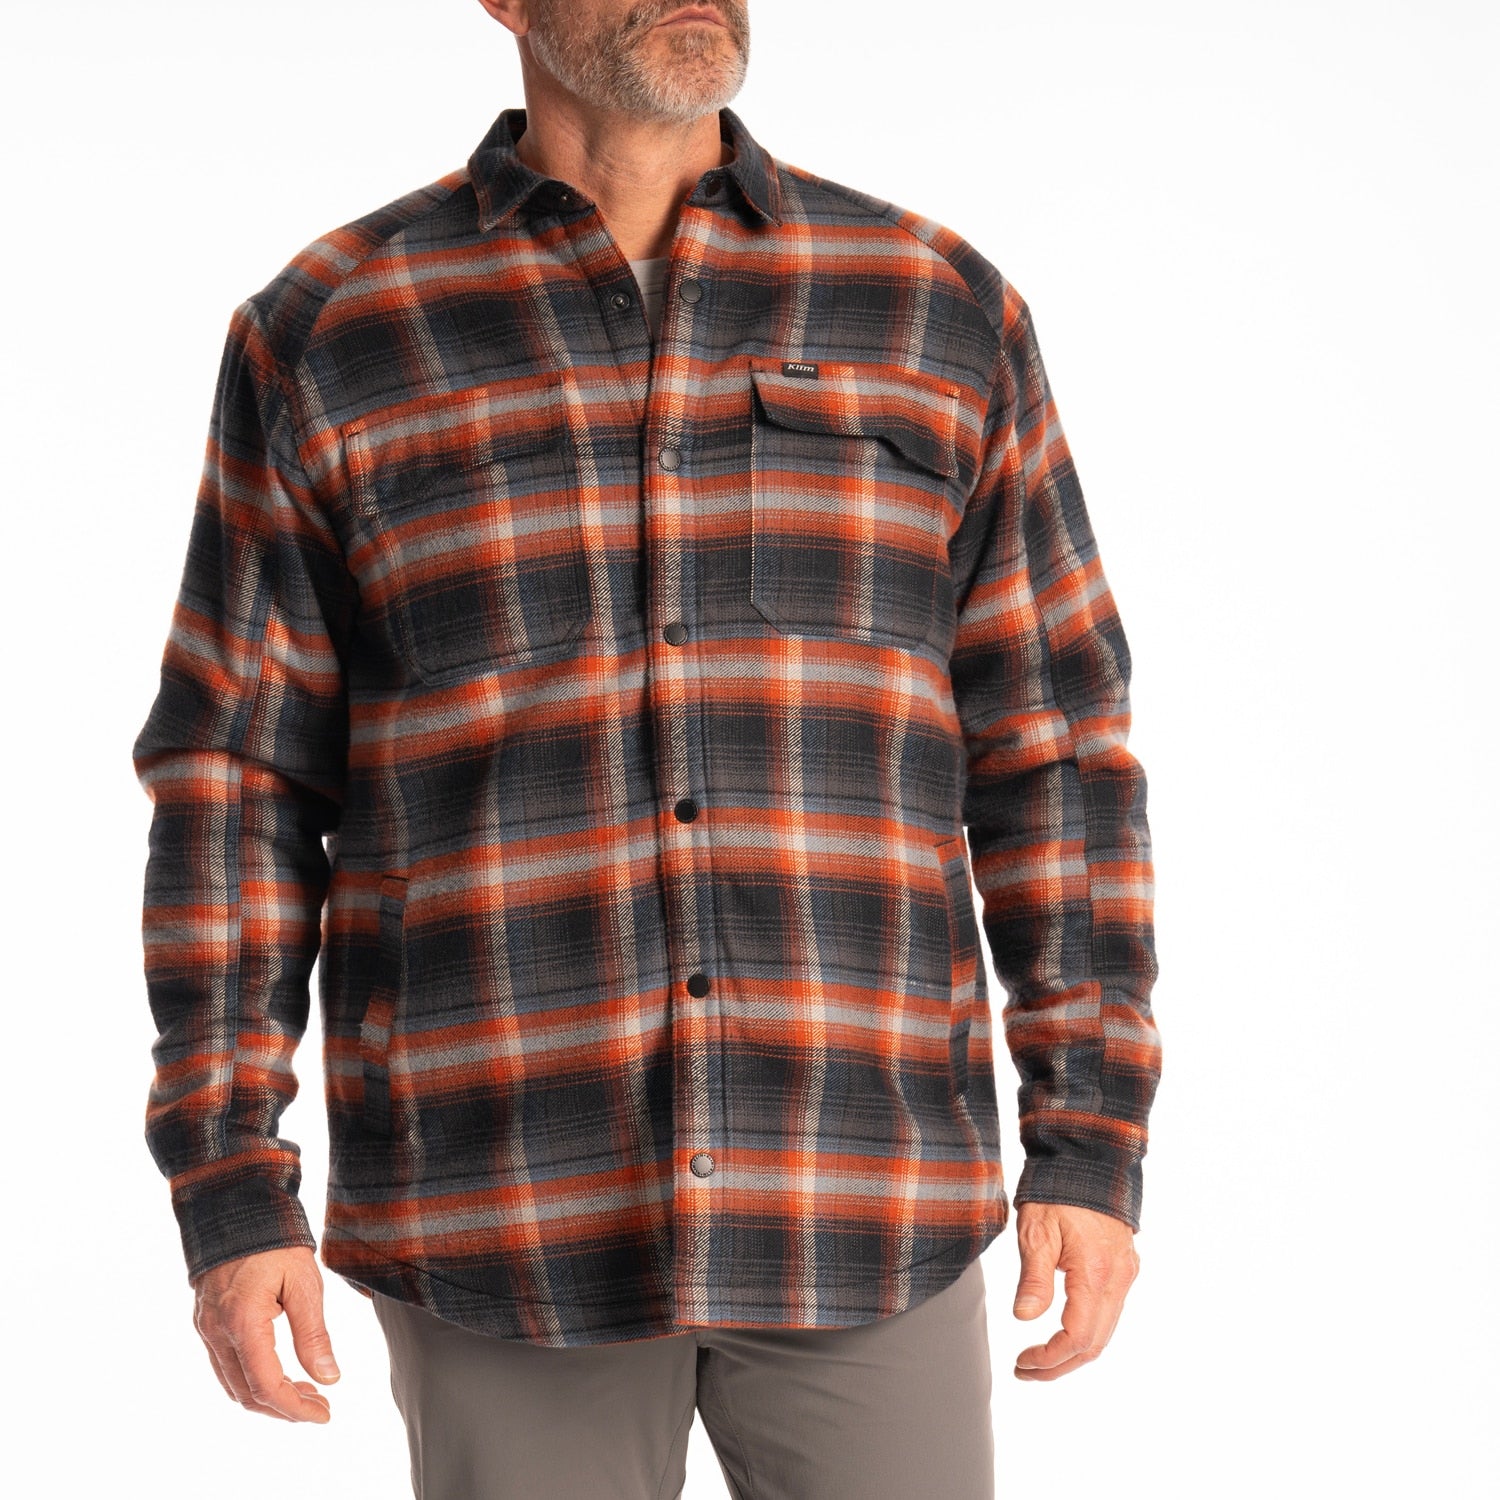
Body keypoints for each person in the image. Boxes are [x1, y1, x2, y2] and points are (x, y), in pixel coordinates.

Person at [130, 1, 1163, 1495]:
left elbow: (1053, 747)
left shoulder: (932, 307)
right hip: (500, 1206)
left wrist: (1091, 1134)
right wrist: (231, 1184)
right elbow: (236, 782)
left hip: (862, 1186)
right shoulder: (335, 328)